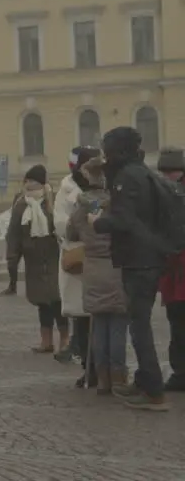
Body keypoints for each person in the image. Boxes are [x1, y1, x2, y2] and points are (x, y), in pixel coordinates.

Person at [93, 127, 170, 410]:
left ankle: (153, 391)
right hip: (149, 257)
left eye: (107, 151)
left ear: (119, 151)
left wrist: (97, 223)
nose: (105, 157)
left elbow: (123, 220)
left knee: (139, 327)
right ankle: (143, 380)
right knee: (139, 323)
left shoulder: (126, 177)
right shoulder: (144, 172)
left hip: (138, 260)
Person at [68, 155, 128, 395]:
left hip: (92, 269)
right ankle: (119, 378)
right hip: (115, 267)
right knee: (117, 326)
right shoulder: (115, 203)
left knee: (99, 324)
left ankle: (102, 379)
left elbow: (72, 233)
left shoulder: (81, 207)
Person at [6, 165, 67, 354]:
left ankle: (65, 340)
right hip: (33, 261)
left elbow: (63, 225)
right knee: (42, 303)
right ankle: (46, 341)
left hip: (54, 258)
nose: (29, 184)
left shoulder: (53, 201)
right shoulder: (20, 204)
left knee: (58, 302)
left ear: (42, 183)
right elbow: (13, 233)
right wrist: (12, 257)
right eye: (27, 181)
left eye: (33, 181)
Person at [54, 146, 100, 372]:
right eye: (85, 165)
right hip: (77, 258)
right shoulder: (66, 189)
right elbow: (60, 224)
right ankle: (86, 363)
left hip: (101, 258)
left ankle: (99, 365)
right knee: (81, 314)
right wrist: (81, 226)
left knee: (100, 313)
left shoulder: (105, 187)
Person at [156, 147, 185, 393]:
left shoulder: (173, 196)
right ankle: (179, 371)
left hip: (179, 271)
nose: (167, 177)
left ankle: (180, 373)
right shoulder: (167, 193)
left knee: (179, 322)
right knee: (177, 322)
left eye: (171, 172)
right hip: (174, 272)